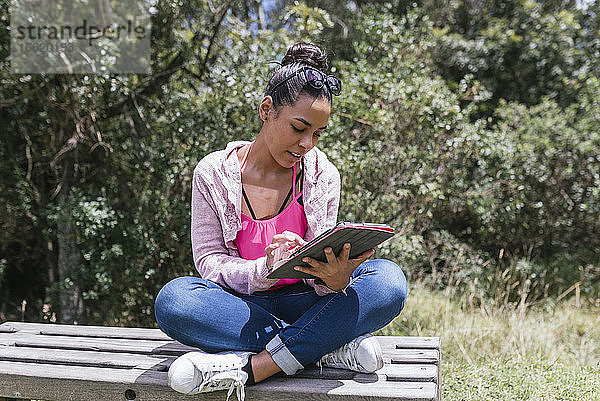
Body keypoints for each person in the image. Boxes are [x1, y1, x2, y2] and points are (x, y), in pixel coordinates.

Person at [154, 42, 408, 400]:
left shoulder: (323, 175)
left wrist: (334, 280)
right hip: (241, 307)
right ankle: (326, 347)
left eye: (318, 134)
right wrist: (263, 268)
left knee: (388, 282)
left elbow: (325, 261)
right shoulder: (212, 173)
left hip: (308, 299)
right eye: (299, 128)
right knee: (175, 301)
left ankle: (250, 368)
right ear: (267, 109)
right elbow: (208, 263)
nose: (308, 143)